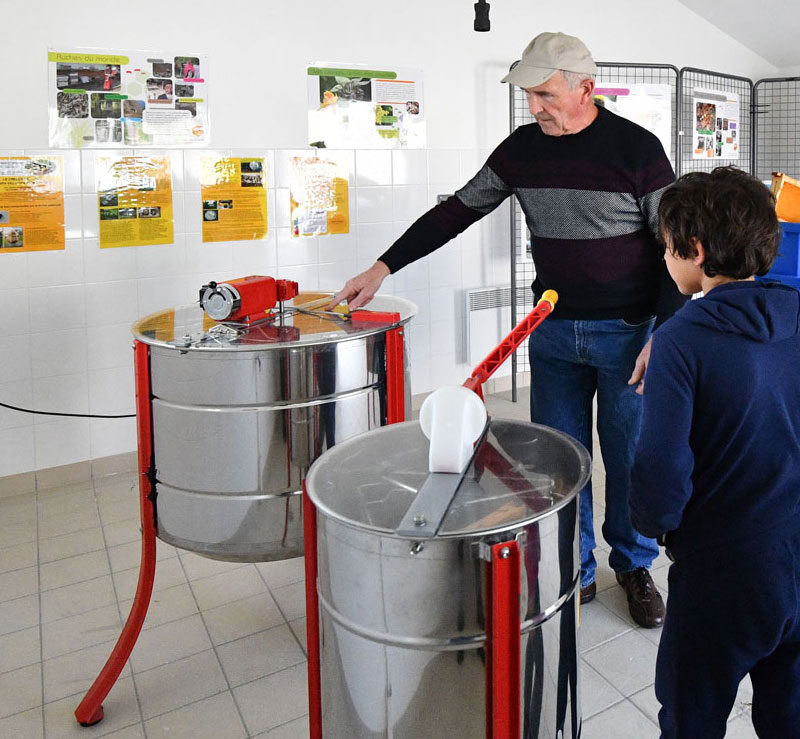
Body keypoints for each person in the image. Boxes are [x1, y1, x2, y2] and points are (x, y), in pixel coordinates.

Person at [329, 31, 685, 628]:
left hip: (628, 335)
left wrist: (664, 335)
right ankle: (577, 566)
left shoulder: (638, 149)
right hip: (550, 333)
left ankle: (634, 565)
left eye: (546, 94)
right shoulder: (521, 149)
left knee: (627, 459)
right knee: (558, 461)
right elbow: (456, 211)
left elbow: (673, 244)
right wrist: (383, 265)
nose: (535, 106)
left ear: (585, 89)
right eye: (528, 95)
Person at [629, 167, 800, 736]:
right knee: (789, 710)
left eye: (667, 248)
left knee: (692, 712)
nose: (665, 261)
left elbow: (660, 468)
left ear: (695, 249)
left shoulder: (679, 339)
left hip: (724, 569)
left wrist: (657, 526)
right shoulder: (796, 313)